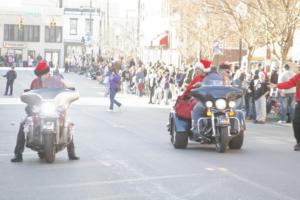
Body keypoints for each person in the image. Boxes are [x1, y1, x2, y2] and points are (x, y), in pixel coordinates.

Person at [11, 60, 79, 162]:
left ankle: (72, 153)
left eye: (44, 73)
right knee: (23, 124)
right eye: (40, 73)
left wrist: (69, 92)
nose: (42, 75)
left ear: (48, 71)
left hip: (55, 109)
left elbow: (64, 91)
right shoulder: (35, 82)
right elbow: (31, 95)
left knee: (67, 124)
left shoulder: (57, 81)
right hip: (39, 110)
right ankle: (18, 154)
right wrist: (28, 98)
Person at [270, 72, 300, 151]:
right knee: (296, 121)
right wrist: (277, 85)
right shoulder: (298, 76)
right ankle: (299, 142)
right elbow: (289, 83)